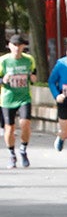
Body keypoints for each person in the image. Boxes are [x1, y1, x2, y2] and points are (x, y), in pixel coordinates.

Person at [2, 34, 36, 169]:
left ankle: (23, 149)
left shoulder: (29, 59)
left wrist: (33, 78)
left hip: (24, 97)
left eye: (19, 45)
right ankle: (11, 153)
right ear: (9, 46)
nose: (17, 48)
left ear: (23, 46)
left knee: (25, 123)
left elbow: (34, 74)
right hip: (8, 98)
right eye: (14, 45)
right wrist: (3, 80)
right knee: (9, 129)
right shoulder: (3, 61)